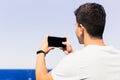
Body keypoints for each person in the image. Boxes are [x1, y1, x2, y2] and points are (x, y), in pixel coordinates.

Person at [35, 3, 120, 80]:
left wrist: (41, 52)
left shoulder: (74, 61)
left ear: (81, 29)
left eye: (75, 25)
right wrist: (72, 53)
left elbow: (41, 79)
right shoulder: (117, 56)